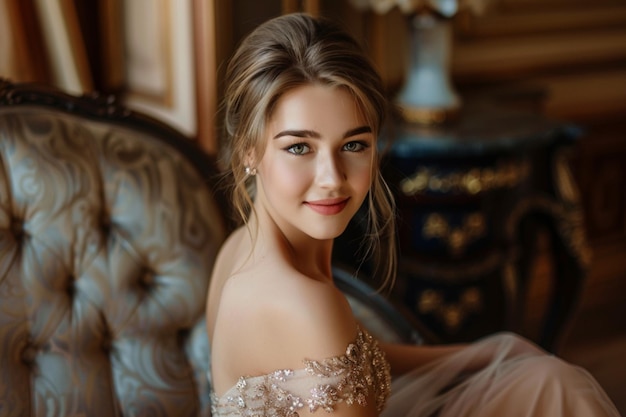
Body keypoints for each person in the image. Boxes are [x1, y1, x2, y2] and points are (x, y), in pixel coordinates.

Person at [205, 12, 621, 417]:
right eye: (299, 147)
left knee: (546, 381)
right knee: (558, 390)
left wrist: (480, 353)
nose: (332, 179)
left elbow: (339, 350)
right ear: (248, 150)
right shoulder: (304, 304)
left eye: (353, 145)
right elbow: (321, 338)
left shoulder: (238, 248)